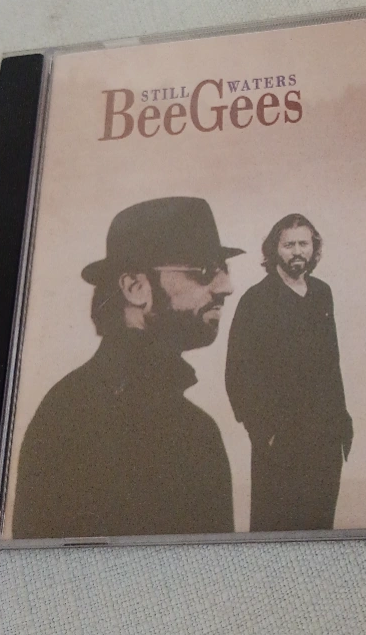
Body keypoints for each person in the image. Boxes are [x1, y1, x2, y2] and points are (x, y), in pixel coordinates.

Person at [13, 197, 244, 539]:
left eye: (224, 270)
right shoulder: (72, 416)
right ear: (136, 288)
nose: (226, 287)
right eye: (205, 271)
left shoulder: (195, 427)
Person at [225, 213, 353, 532]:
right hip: (280, 443)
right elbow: (237, 373)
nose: (297, 251)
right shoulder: (256, 300)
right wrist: (263, 433)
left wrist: (341, 424)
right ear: (274, 250)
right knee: (276, 531)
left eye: (304, 244)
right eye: (289, 245)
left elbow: (331, 363)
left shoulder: (322, 293)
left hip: (325, 439)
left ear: (314, 248)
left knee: (319, 531)